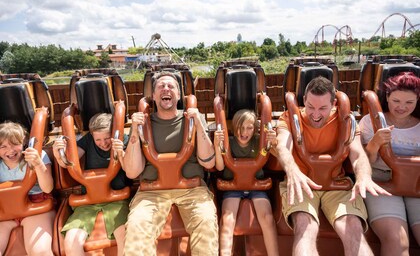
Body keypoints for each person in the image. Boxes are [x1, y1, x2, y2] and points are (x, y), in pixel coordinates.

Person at [273, 76, 391, 256]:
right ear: (304, 100)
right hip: (302, 183)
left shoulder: (346, 120)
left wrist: (363, 176)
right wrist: (292, 170)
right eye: (311, 106)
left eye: (322, 108)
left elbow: (358, 154)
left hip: (337, 184)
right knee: (305, 226)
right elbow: (282, 146)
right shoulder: (289, 117)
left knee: (353, 226)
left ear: (334, 103)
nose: (316, 114)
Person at [122, 71, 219, 256]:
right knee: (137, 227)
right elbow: (132, 172)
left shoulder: (192, 119)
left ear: (179, 95)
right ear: (153, 96)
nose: (166, 89)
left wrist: (199, 124)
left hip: (192, 189)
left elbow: (208, 162)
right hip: (151, 193)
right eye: (161, 86)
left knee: (205, 222)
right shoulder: (143, 123)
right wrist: (134, 131)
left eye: (171, 86)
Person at [359, 72, 420, 256]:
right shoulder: (370, 122)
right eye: (396, 101)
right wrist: (375, 143)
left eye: (409, 102)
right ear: (387, 97)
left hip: (416, 185)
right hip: (382, 182)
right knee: (397, 238)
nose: (402, 107)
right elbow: (364, 163)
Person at [52, 113, 129, 256]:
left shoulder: (123, 140)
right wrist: (58, 154)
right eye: (98, 139)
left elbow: (130, 171)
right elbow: (70, 164)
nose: (104, 143)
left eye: (107, 138)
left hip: (117, 200)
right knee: (71, 242)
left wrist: (121, 152)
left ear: (114, 133)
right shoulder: (88, 141)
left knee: (125, 238)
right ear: (92, 136)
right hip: (88, 201)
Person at [214, 109, 279, 256]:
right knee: (227, 219)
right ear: (233, 127)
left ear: (255, 129)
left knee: (267, 218)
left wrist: (274, 143)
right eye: (240, 127)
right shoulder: (229, 143)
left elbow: (277, 155)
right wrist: (217, 146)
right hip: (233, 187)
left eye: (249, 128)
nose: (244, 132)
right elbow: (219, 166)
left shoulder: (258, 141)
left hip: (256, 186)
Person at [0, 122, 55, 256]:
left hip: (35, 205)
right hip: (8, 210)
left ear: (24, 141)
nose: (10, 150)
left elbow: (48, 188)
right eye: (3, 146)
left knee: (40, 251)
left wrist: (37, 164)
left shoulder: (37, 156)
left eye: (14, 144)